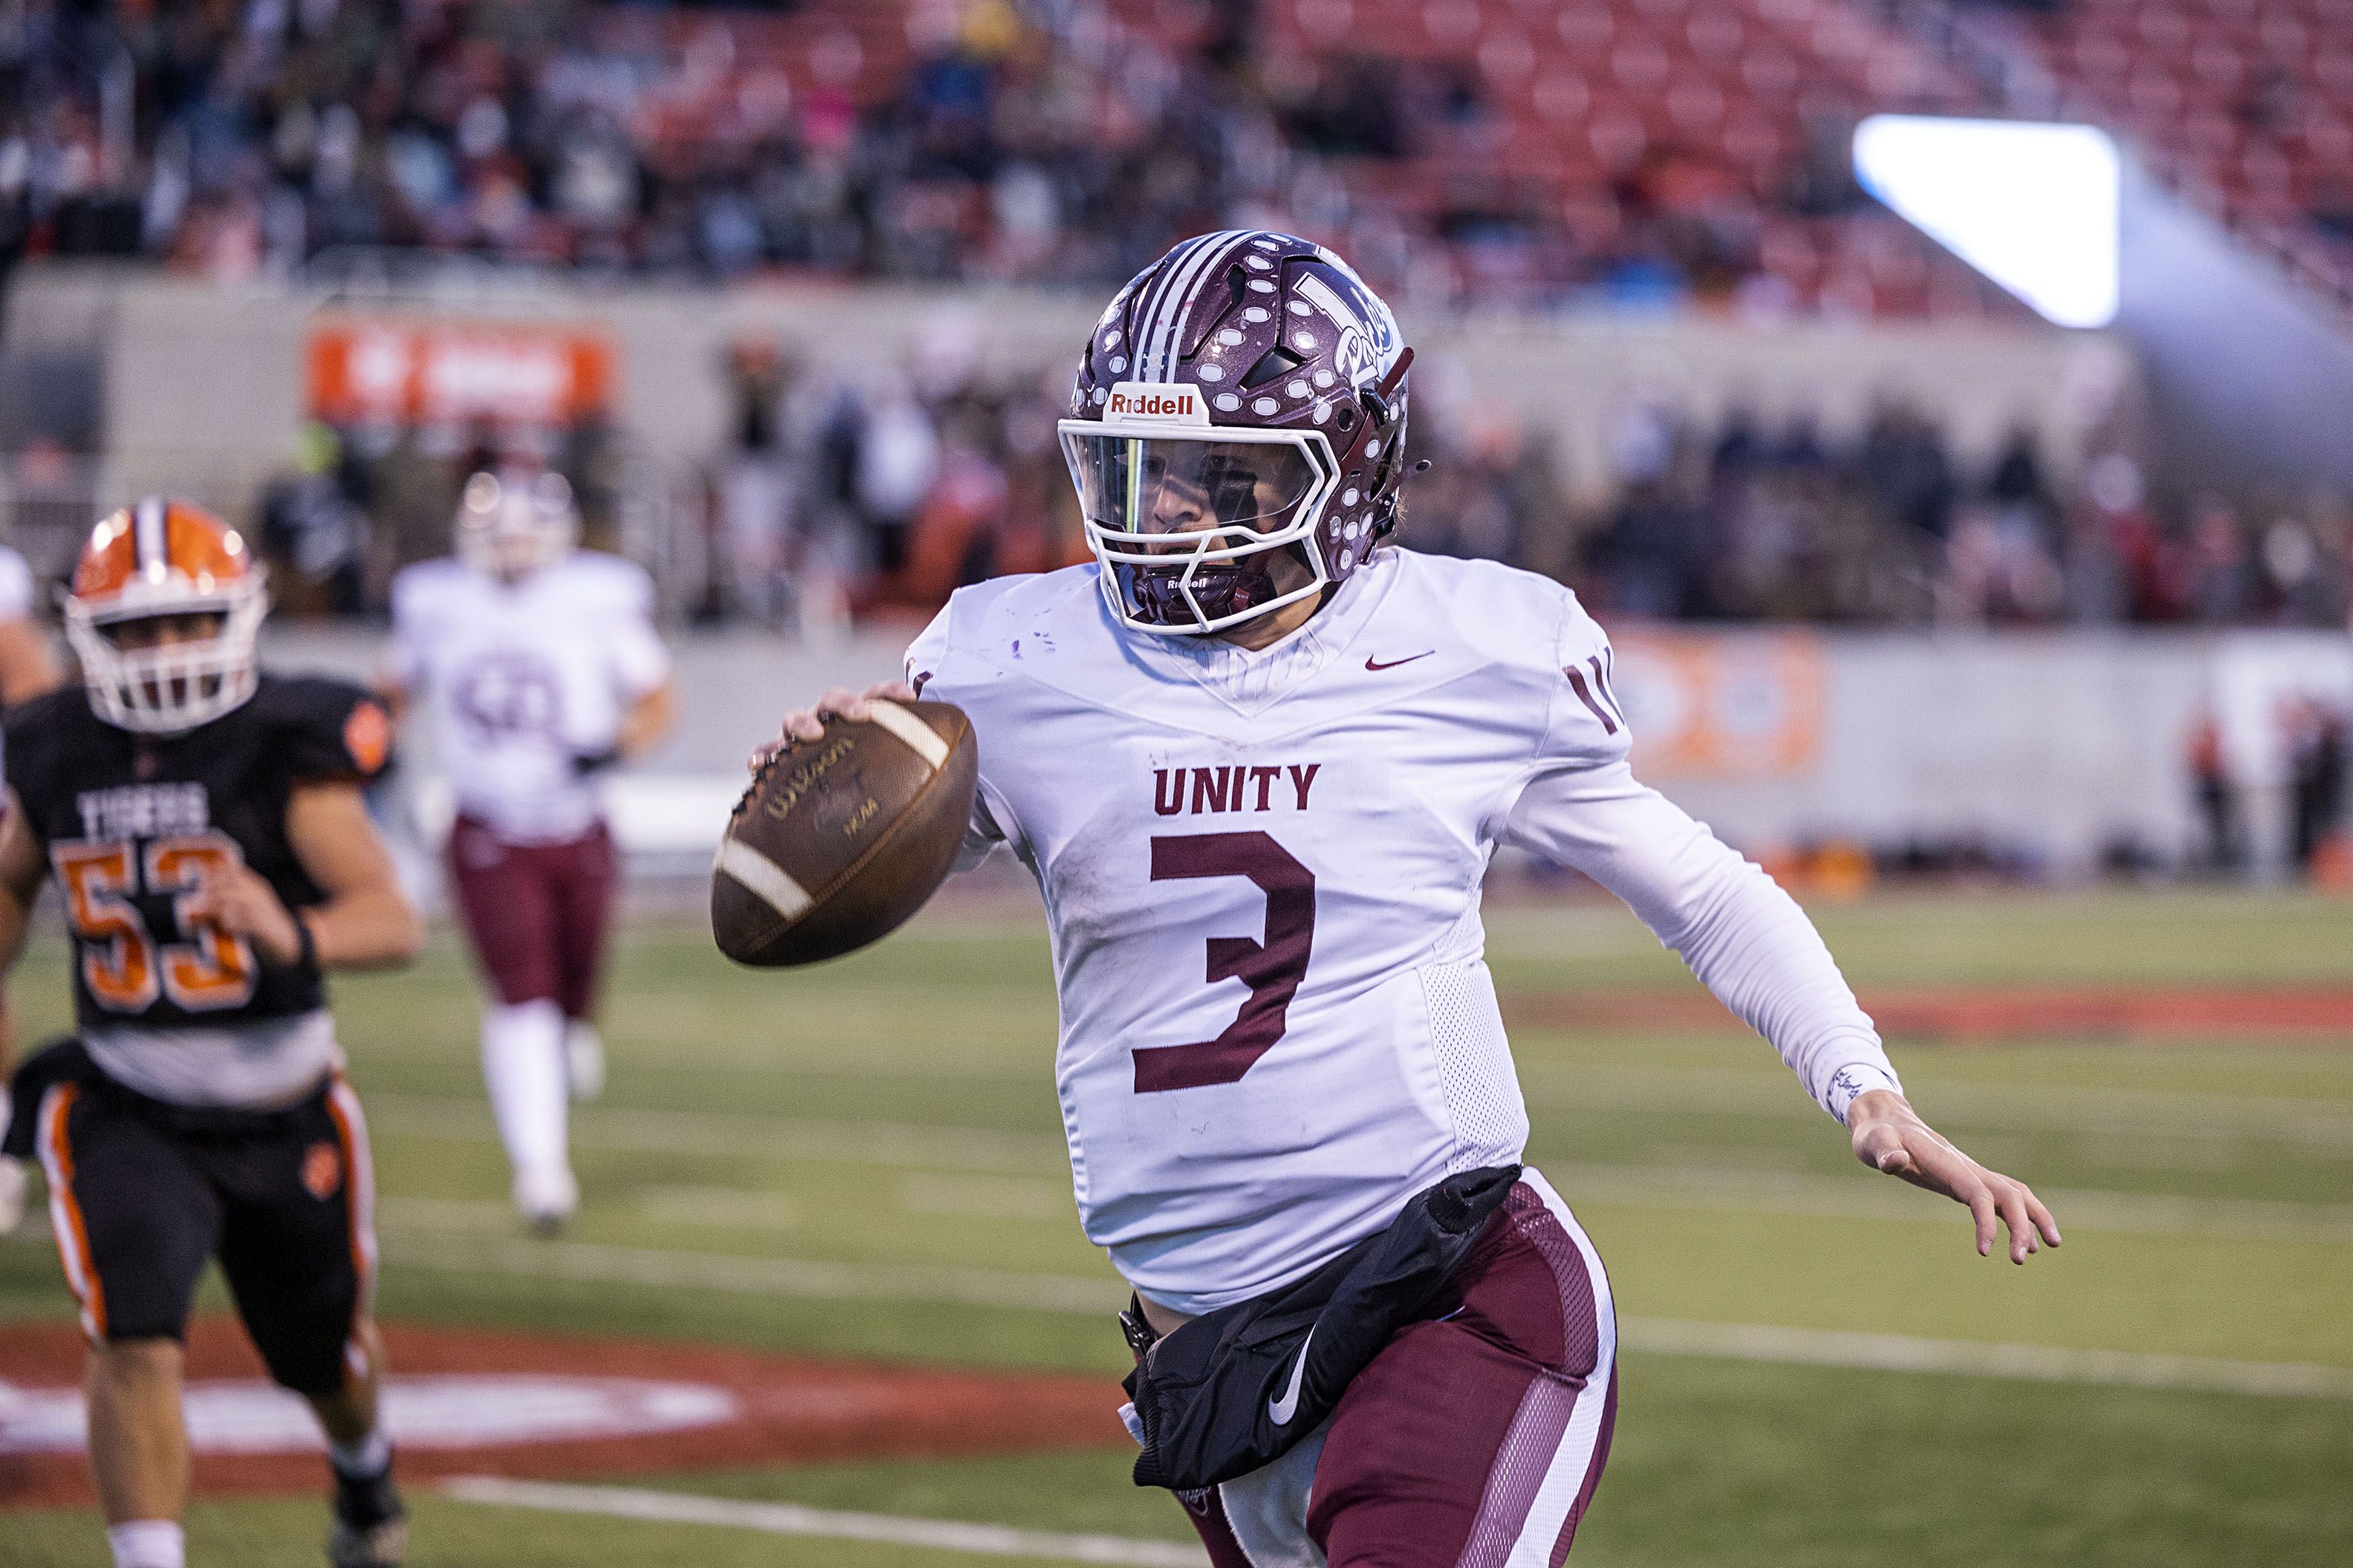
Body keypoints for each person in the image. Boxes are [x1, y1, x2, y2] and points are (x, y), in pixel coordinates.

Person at [759, 232, 2061, 1567]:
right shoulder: (1014, 660)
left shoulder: (1471, 649)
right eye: (1141, 470)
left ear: (1352, 464)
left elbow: (1700, 889)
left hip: (1447, 1290)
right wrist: (836, 792)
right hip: (1207, 1349)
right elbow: (890, 833)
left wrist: (1862, 1083)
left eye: (1223, 475)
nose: (1173, 516)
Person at [0, 498, 423, 1568]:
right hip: (128, 1097)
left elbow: (393, 917)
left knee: (321, 1355)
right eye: (139, 628)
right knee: (133, 1333)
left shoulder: (286, 740)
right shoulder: (54, 746)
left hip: (283, 1107)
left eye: (186, 622)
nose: (165, 649)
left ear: (237, 620)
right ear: (91, 634)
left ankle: (363, 1467)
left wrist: (293, 927)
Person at [380, 470, 675, 1232]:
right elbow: (388, 697)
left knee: (575, 989)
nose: (511, 549)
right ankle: (541, 1170)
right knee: (523, 993)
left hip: (577, 822)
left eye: (524, 532)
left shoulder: (595, 595)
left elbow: (657, 702)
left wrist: (611, 750)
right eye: (497, 533)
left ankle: (569, 1039)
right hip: (485, 827)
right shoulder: (435, 601)